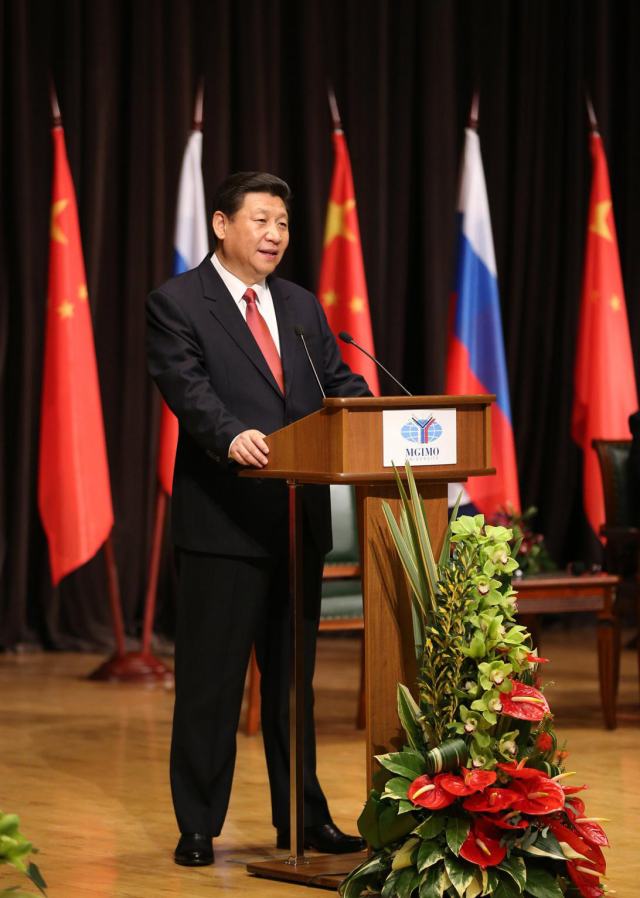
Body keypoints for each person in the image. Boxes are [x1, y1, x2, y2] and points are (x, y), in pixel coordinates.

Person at [146, 171, 370, 866]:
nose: (275, 235)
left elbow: (336, 384)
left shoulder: (300, 305)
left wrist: (378, 412)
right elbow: (188, 388)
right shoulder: (179, 302)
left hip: (298, 522)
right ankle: (198, 825)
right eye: (262, 220)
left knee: (292, 687)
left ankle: (301, 818)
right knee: (210, 685)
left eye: (284, 224)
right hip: (223, 521)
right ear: (222, 224)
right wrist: (230, 434)